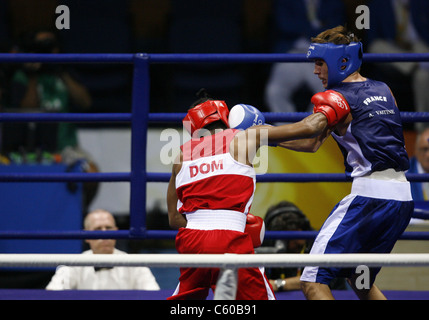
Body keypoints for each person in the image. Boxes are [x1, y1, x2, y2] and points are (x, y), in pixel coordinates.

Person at [279, 25, 414, 300]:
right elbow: (313, 143)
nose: (315, 71)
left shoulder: (338, 98)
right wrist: (270, 140)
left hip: (370, 197)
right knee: (360, 280)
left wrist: (258, 132)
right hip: (401, 199)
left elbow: (310, 129)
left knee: (312, 281)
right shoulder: (384, 89)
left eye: (320, 63)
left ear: (341, 62)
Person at [166, 89, 331, 300]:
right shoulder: (244, 137)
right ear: (225, 116)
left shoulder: (180, 156)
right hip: (228, 238)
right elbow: (309, 133)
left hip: (191, 241)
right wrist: (333, 109)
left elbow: (174, 219)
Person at [46, 209, 160, 290]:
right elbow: (52, 292)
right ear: (86, 235)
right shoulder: (74, 264)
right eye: (98, 229)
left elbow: (153, 293)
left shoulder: (135, 264)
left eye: (108, 228)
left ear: (116, 232)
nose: (104, 233)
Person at [259, 200, 346, 292]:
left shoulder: (320, 244)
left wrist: (279, 284)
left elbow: (323, 278)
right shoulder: (268, 247)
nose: (297, 241)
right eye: (290, 238)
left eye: (297, 231)